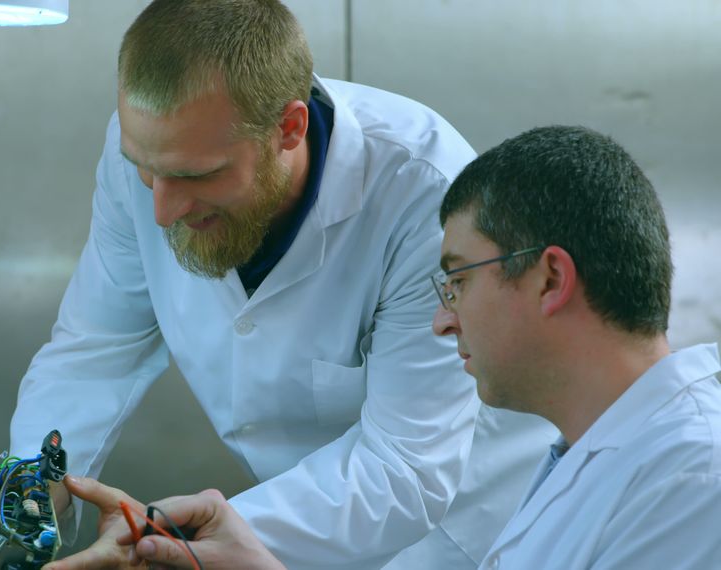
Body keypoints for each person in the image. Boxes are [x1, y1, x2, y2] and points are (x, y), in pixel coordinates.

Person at [0, 1, 554, 569]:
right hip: (283, 526)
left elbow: (404, 469)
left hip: (467, 535)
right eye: (146, 171)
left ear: (289, 129)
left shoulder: (425, 197)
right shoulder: (151, 150)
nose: (162, 211)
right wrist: (29, 491)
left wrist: (162, 536)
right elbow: (97, 346)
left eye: (199, 175)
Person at [68, 125, 721, 569]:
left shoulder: (694, 479)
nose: (442, 321)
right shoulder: (605, 457)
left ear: (550, 278)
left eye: (458, 280)